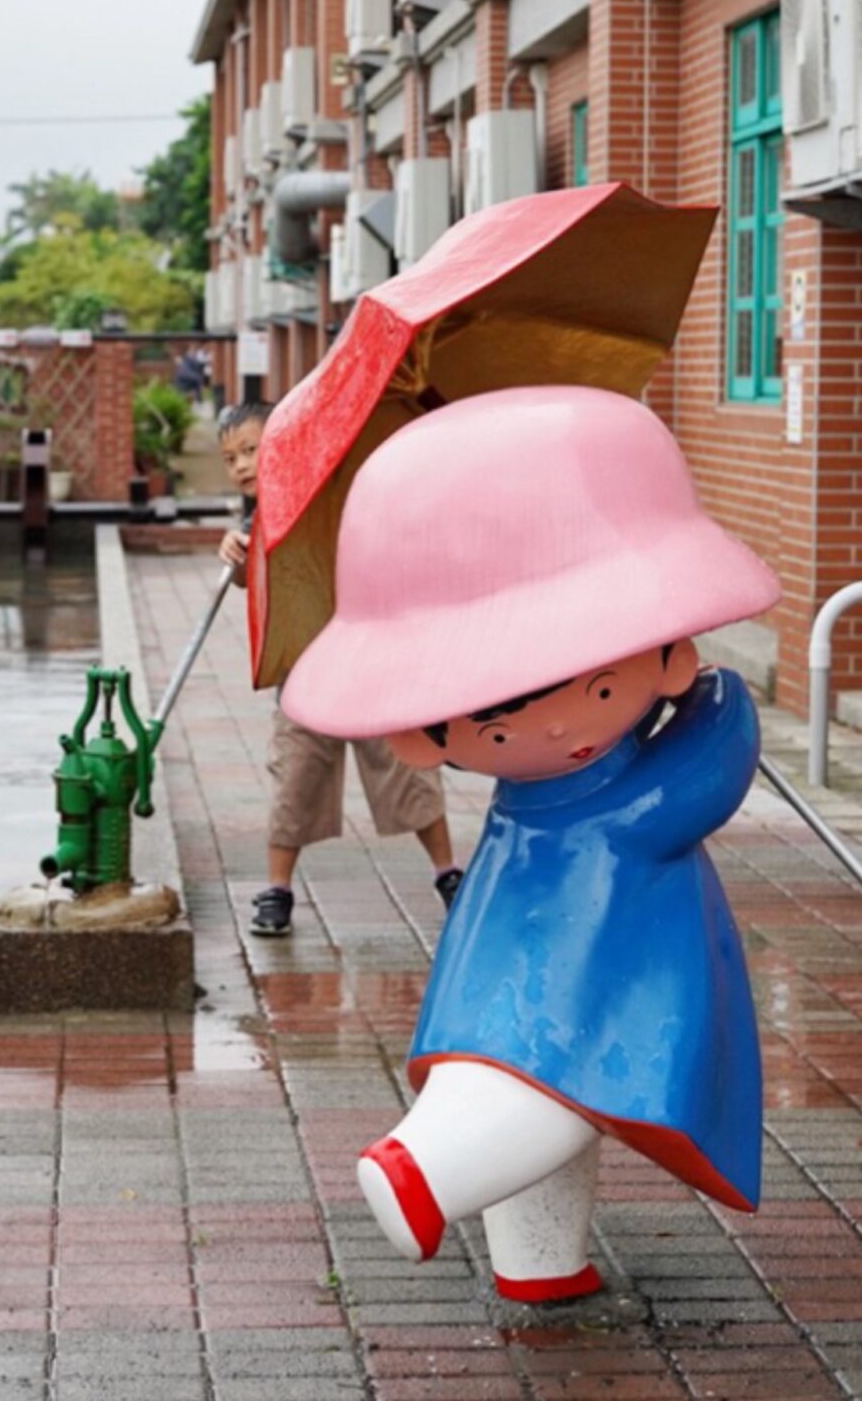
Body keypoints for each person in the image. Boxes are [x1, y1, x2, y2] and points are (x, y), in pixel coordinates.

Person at [278, 384, 780, 1304]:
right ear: (423, 731)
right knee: (554, 1076)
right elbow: (713, 765)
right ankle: (424, 1173)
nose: (564, 721)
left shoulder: (523, 803)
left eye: (596, 683)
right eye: (493, 715)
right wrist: (717, 703)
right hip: (600, 962)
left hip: (508, 930)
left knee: (532, 1078)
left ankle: (539, 1261)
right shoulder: (634, 809)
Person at [217, 402, 460, 937]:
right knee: (296, 777)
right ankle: (277, 888)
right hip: (304, 671)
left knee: (408, 768)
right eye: (230, 457)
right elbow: (249, 579)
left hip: (371, 660)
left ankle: (447, 873)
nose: (239, 465)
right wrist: (236, 553)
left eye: (251, 449)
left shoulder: (331, 491)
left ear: (283, 442)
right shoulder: (255, 521)